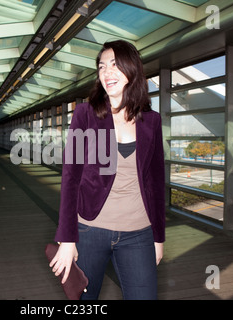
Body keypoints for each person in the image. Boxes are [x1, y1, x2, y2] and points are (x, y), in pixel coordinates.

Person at [50, 40, 165, 300]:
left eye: (114, 64)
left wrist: (158, 238)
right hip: (90, 229)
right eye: (102, 66)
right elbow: (71, 178)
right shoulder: (86, 115)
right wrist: (67, 239)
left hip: (139, 232)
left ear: (131, 68)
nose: (106, 72)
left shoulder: (151, 121)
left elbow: (156, 182)